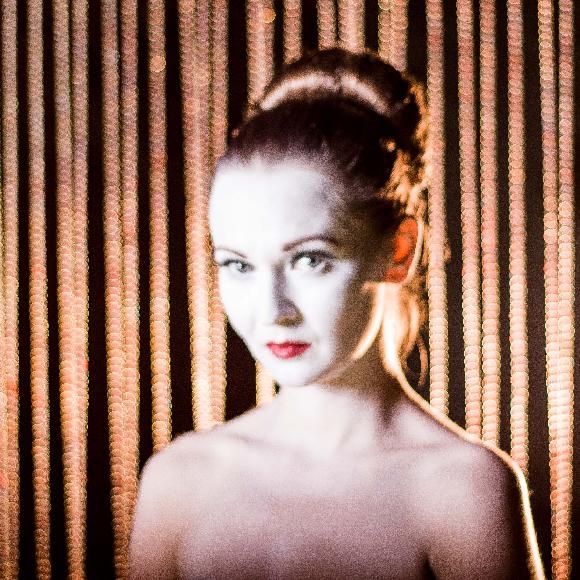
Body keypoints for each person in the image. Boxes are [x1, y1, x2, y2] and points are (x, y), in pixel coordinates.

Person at [128, 48, 544, 579]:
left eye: (310, 259)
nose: (272, 311)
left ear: (399, 251)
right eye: (238, 265)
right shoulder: (179, 480)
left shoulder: (463, 490)